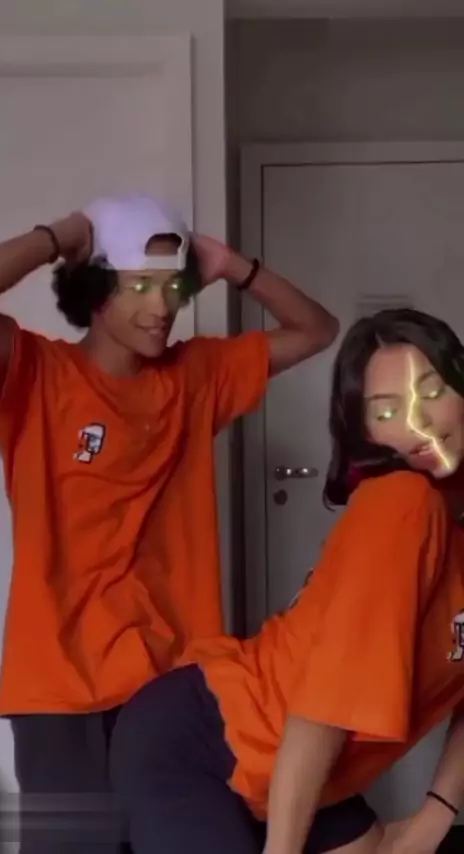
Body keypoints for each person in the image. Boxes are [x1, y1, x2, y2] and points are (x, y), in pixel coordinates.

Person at [0, 194, 338, 853]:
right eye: (139, 285)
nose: (162, 306)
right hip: (60, 683)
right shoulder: (35, 375)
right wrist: (57, 236)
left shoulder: (196, 375)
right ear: (95, 289)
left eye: (173, 286)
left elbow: (317, 329)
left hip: (173, 680)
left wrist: (231, 265)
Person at [109, 307, 464, 854]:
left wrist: (436, 814)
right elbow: (322, 705)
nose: (417, 423)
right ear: (366, 431)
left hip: (304, 772)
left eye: (431, 391)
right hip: (203, 744)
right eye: (386, 410)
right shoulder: (404, 504)